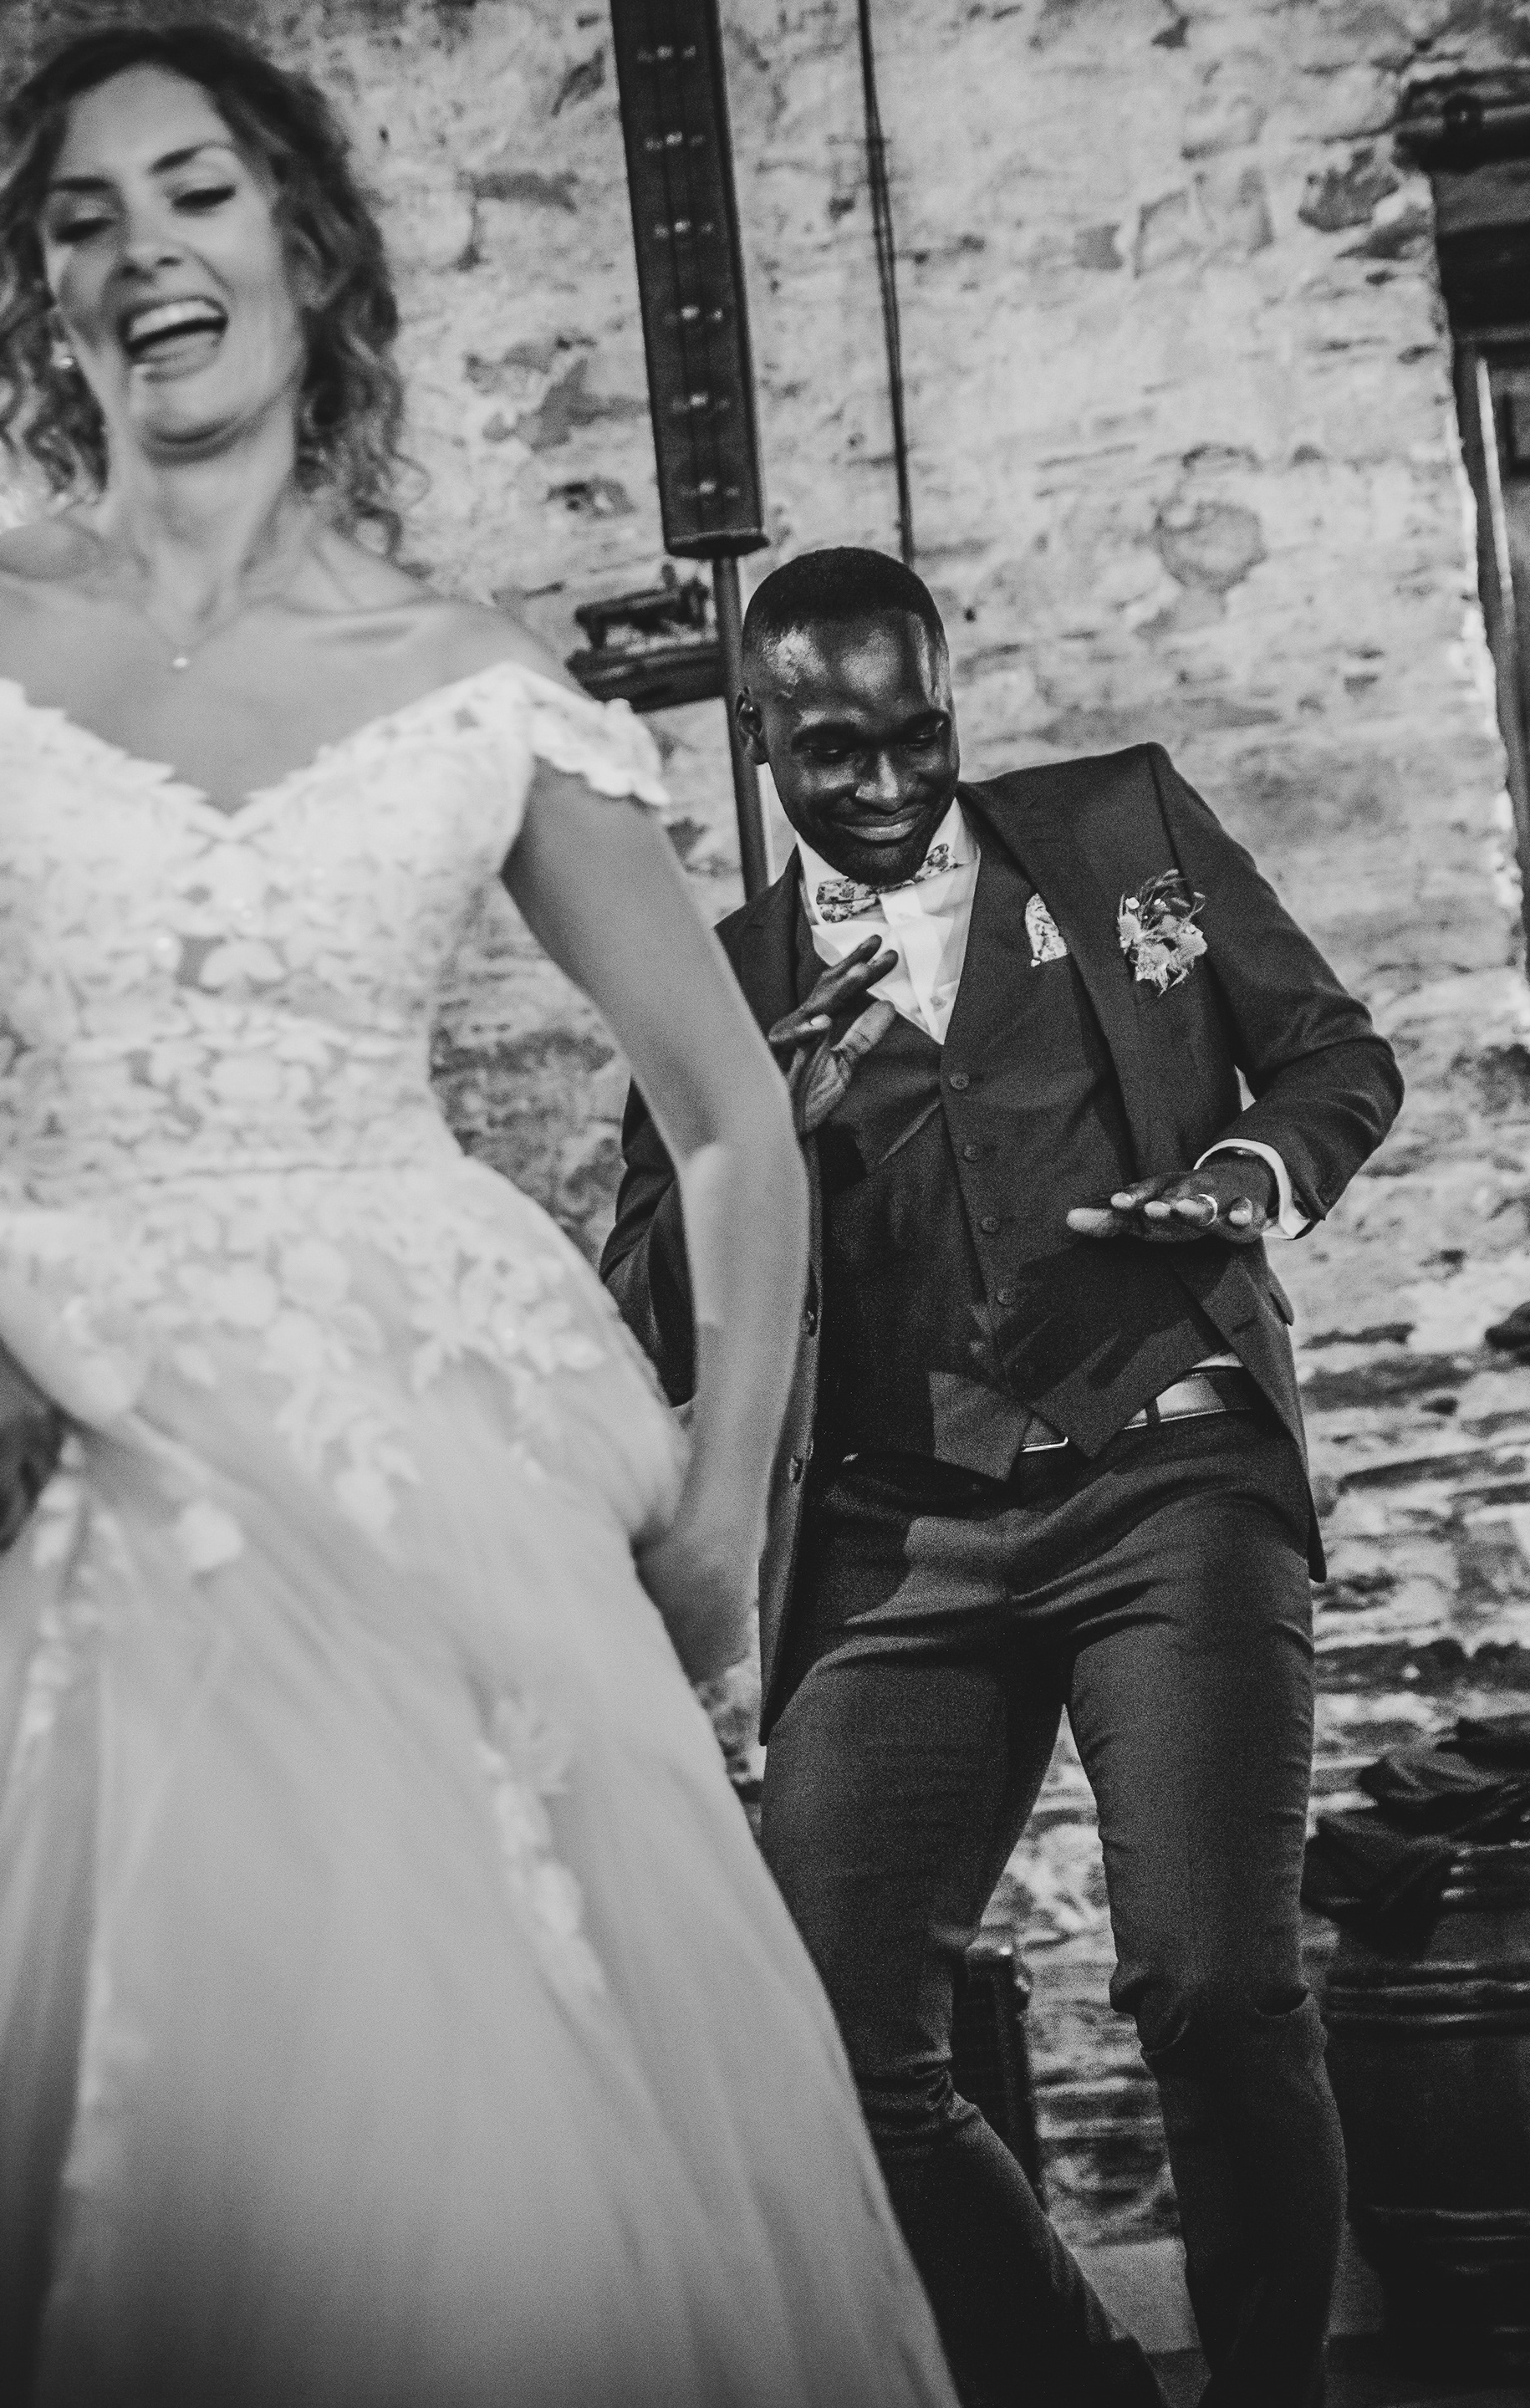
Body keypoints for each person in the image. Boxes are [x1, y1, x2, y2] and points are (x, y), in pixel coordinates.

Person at [0, 35, 963, 2408]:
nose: (144, 247)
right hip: (41, 1447)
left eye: (197, 190)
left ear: (306, 245)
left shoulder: (477, 684)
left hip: (434, 1488)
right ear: (41, 294)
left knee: (472, 2170)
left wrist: (726, 1507)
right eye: (83, 215)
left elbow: (732, 1117)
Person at [603, 546, 1405, 2408]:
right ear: (758, 740)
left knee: (1215, 1985)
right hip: (897, 1539)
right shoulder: (717, 985)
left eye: (920, 736)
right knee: (825, 2048)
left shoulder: (1123, 833)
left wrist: (1244, 1178)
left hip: (1169, 1480)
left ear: (950, 702)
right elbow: (642, 1296)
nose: (889, 786)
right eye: (835, 753)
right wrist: (757, 1144)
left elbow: (1334, 1058)